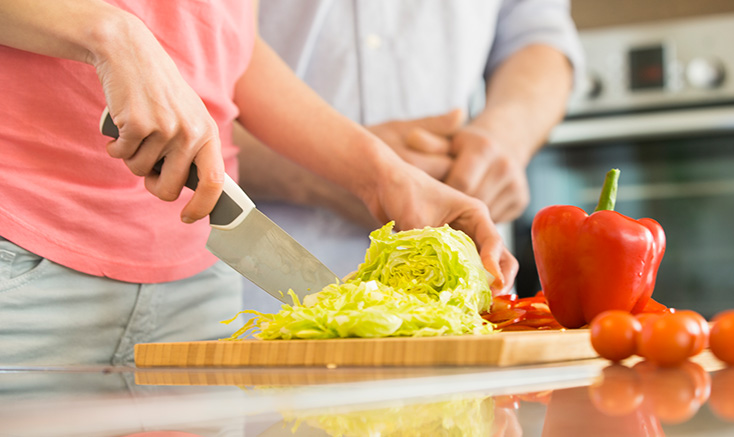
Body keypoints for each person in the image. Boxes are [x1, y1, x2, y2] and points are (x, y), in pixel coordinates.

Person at [0, 0, 516, 366]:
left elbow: (226, 42)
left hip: (200, 280)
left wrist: (383, 174)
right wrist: (111, 32)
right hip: (24, 259)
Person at [236, 0, 583, 310]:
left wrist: (505, 136)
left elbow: (537, 30)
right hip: (251, 291)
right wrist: (357, 172)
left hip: (450, 312)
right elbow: (208, 55)